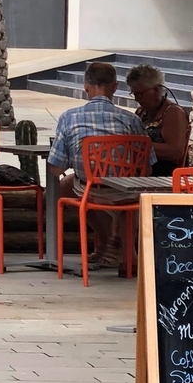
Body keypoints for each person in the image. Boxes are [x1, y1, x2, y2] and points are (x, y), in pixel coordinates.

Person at [48, 61, 154, 271]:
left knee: (63, 187)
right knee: (123, 193)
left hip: (90, 187)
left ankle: (107, 242)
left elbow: (56, 168)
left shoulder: (70, 117)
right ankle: (124, 251)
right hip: (127, 190)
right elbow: (148, 166)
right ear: (115, 87)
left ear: (86, 86)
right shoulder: (131, 119)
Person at [126, 64, 189, 177]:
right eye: (134, 94)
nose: (136, 99)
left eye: (140, 94)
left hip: (164, 176)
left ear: (155, 90)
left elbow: (176, 151)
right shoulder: (142, 112)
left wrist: (138, 146)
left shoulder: (173, 112)